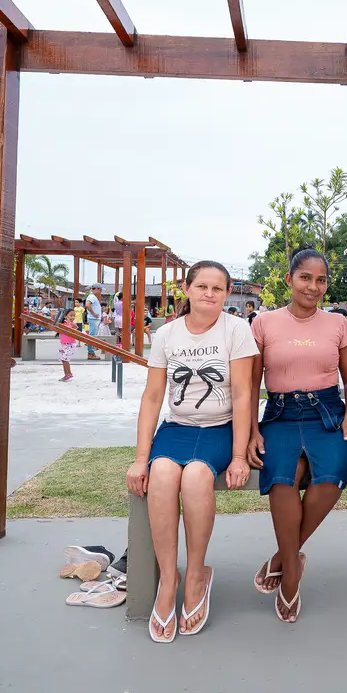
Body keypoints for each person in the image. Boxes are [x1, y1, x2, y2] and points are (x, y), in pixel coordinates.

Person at [126, 261, 257, 642]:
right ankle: (169, 579)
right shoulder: (167, 334)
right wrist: (141, 458)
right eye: (202, 286)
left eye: (217, 288)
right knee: (162, 474)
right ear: (187, 289)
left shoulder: (236, 329)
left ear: (227, 293)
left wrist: (238, 456)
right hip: (177, 428)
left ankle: (197, 574)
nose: (209, 294)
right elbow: (153, 397)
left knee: (197, 476)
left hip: (220, 429)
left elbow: (243, 394)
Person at [246, 249, 347, 623]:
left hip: (326, 413)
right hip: (280, 414)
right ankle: (292, 576)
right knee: (283, 477)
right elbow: (251, 383)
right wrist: (251, 431)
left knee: (333, 474)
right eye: (305, 278)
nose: (313, 286)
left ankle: (282, 559)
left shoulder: (338, 324)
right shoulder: (264, 323)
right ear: (289, 279)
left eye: (321, 280)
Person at [57, 308, 80, 381]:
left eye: (74, 316)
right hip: (64, 345)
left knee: (64, 359)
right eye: (71, 315)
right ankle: (67, 374)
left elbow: (75, 327)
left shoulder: (73, 324)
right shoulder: (62, 324)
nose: (72, 317)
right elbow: (55, 325)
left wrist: (70, 323)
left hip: (70, 345)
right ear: (65, 316)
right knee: (64, 360)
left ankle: (68, 374)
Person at [85, 283, 104, 358]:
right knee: (92, 336)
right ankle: (90, 352)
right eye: (100, 290)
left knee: (93, 335)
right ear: (96, 289)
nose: (100, 291)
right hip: (93, 319)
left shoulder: (93, 296)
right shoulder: (92, 296)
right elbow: (87, 305)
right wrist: (94, 314)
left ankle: (91, 352)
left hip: (94, 318)